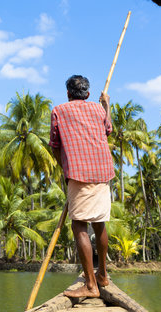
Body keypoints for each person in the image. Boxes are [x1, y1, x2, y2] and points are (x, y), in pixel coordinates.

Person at [49, 75, 114, 298]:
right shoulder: (98, 110)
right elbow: (108, 130)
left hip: (79, 173)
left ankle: (90, 285)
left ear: (68, 94)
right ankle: (102, 275)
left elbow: (55, 145)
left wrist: (65, 169)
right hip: (103, 172)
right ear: (87, 94)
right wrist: (106, 105)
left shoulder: (59, 110)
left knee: (79, 225)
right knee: (99, 223)